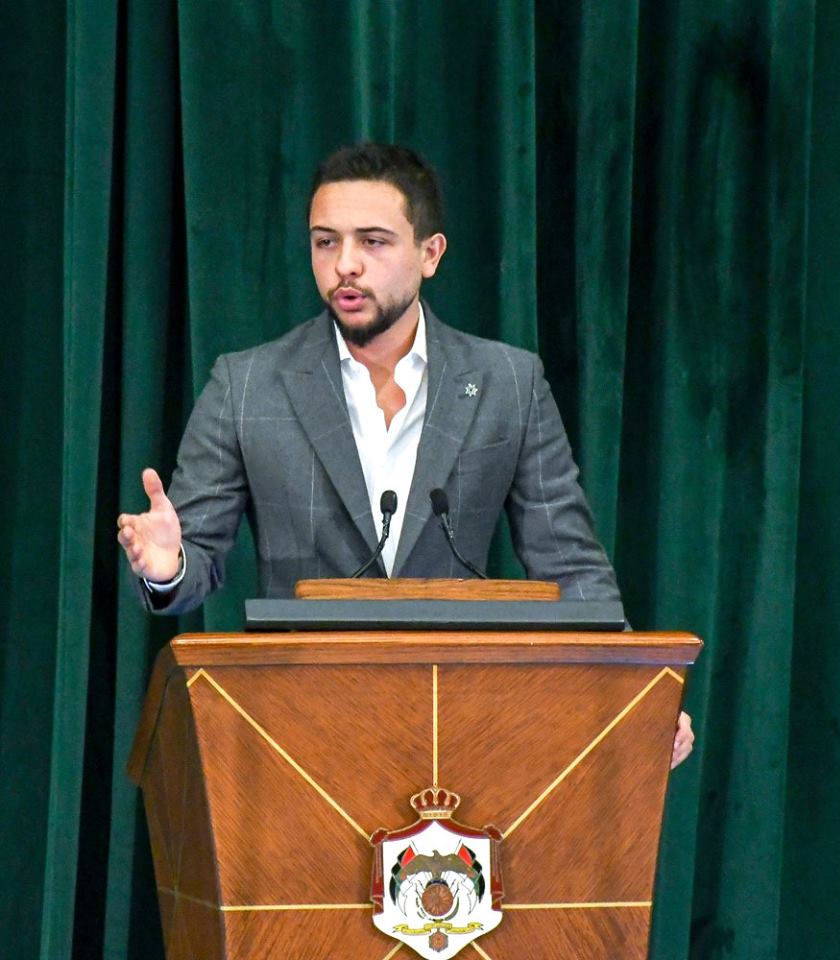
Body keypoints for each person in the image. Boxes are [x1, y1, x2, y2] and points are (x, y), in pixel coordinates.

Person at [116, 142, 694, 767]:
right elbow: (188, 573)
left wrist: (638, 698)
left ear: (430, 253)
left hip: (462, 737)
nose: (345, 267)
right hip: (299, 740)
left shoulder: (508, 382)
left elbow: (571, 566)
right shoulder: (246, 385)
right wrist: (168, 562)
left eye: (373, 242)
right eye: (325, 242)